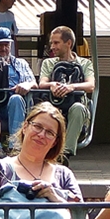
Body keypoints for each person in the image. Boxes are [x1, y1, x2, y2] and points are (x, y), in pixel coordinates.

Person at [38, 26, 95, 156]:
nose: (52, 47)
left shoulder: (85, 63)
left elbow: (90, 85)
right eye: (51, 43)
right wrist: (52, 84)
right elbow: (42, 83)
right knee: (42, 108)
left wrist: (71, 87)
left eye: (56, 43)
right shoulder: (48, 63)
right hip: (54, 104)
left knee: (78, 108)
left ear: (68, 43)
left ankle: (65, 154)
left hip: (75, 107)